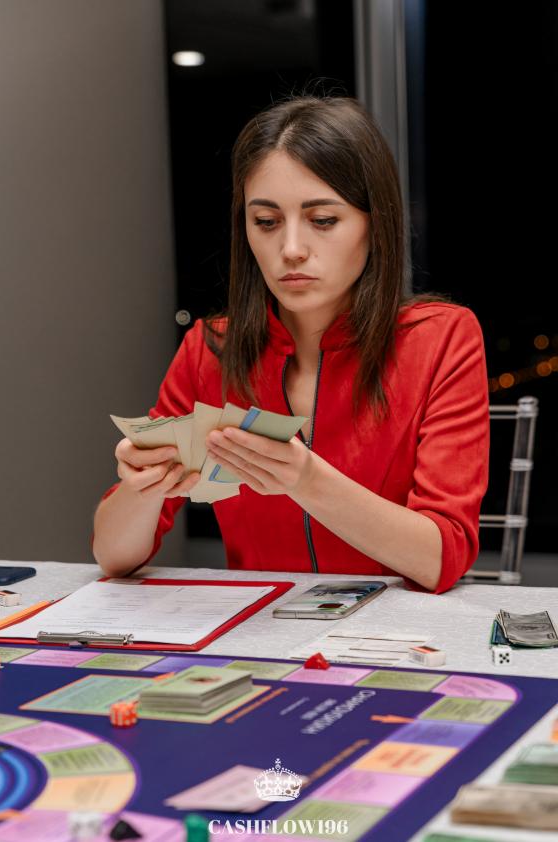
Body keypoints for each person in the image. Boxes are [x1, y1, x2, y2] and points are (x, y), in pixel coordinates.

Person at [93, 95, 489, 593]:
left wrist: (306, 481)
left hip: (391, 630)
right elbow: (113, 557)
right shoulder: (210, 348)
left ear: (375, 223)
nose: (292, 249)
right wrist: (141, 489)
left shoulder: (441, 339)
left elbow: (442, 557)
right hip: (259, 629)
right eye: (266, 222)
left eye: (323, 220)